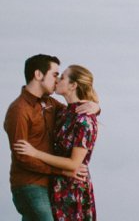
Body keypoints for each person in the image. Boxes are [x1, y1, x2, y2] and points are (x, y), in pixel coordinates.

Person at [4, 55, 98, 221]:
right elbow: (22, 156)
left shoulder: (52, 105)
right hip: (30, 183)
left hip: (52, 184)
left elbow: (78, 114)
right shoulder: (19, 110)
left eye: (60, 76)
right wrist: (62, 170)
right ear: (39, 75)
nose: (57, 80)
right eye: (55, 75)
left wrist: (96, 107)